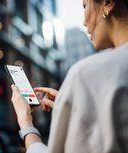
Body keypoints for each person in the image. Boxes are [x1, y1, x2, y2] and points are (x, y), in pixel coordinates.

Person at [10, 0, 128, 152]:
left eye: (85, 6)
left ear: (108, 3)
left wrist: (25, 121)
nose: (84, 22)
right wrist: (75, 106)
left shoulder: (87, 74)